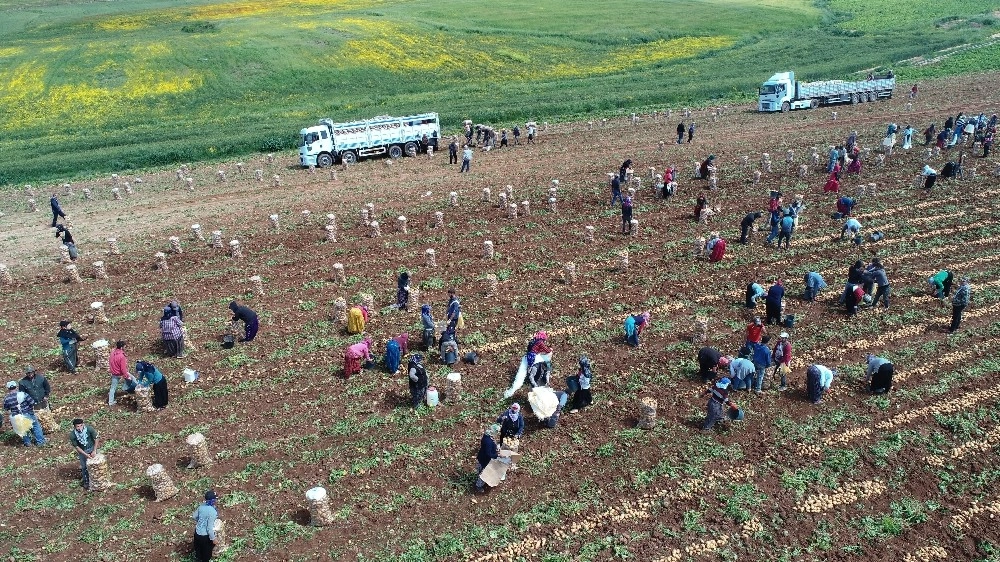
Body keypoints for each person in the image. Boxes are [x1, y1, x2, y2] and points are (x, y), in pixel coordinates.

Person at [4, 380, 46, 446]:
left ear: (8, 388)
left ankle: (27, 443)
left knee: (23, 429)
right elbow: (32, 402)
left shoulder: (7, 398)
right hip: (27, 413)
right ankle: (40, 442)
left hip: (17, 416)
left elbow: (6, 408)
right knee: (35, 426)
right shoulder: (23, 394)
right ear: (16, 387)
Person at [69, 418, 99, 488]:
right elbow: (77, 447)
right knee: (84, 467)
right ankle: (87, 482)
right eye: (77, 426)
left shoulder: (89, 429)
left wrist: (94, 450)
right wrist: (86, 455)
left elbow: (96, 438)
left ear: (83, 425)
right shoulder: (72, 435)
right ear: (74, 427)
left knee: (96, 464)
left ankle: (97, 480)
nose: (79, 428)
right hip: (83, 452)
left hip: (91, 448)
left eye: (81, 426)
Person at [192, 490, 219, 562]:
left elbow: (194, 516)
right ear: (212, 501)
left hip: (197, 533)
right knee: (206, 555)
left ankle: (198, 558)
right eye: (215, 499)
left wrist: (201, 522)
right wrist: (213, 539)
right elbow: (209, 528)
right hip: (205, 537)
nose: (216, 501)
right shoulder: (213, 512)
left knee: (198, 551)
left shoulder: (201, 506)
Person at [108, 340, 136, 406]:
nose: (125, 347)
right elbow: (123, 369)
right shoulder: (122, 356)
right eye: (124, 346)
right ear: (121, 347)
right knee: (133, 379)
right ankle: (137, 391)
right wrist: (126, 376)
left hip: (114, 373)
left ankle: (110, 402)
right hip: (120, 373)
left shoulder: (112, 353)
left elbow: (110, 362)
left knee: (113, 388)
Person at [474, 425, 500, 493]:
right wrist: (497, 455)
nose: (497, 433)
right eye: (497, 432)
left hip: (481, 458)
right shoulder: (488, 441)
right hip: (485, 460)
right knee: (484, 474)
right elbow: (489, 454)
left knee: (481, 471)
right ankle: (478, 486)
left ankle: (480, 478)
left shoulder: (487, 436)